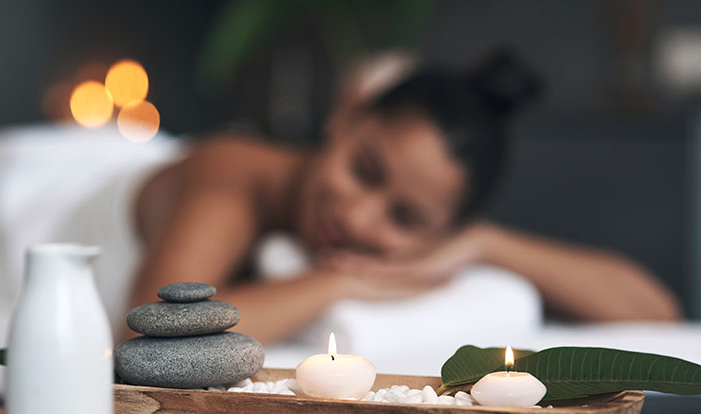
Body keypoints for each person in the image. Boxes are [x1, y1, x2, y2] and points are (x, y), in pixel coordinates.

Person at [127, 50, 680, 345]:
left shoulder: (458, 235)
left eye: (406, 218)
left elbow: (657, 314)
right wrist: (341, 280)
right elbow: (150, 334)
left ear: (442, 230)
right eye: (365, 170)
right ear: (347, 115)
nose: (359, 219)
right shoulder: (232, 174)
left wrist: (484, 244)